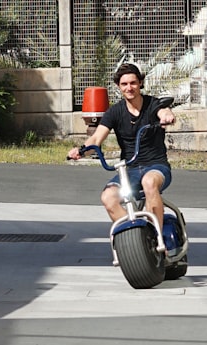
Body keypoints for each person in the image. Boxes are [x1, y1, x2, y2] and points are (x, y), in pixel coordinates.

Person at [68, 63, 176, 236]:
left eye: (133, 83)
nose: (129, 88)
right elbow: (96, 138)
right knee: (108, 197)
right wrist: (81, 151)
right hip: (130, 170)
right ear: (119, 87)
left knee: (149, 183)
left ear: (140, 83)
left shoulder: (152, 104)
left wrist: (167, 117)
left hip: (156, 166)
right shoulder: (115, 112)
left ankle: (156, 236)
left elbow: (163, 111)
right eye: (124, 84)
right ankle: (137, 237)